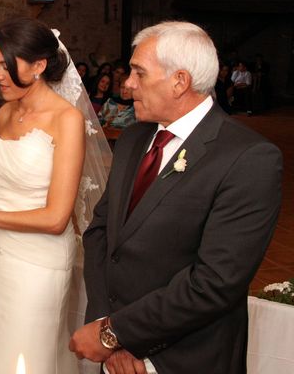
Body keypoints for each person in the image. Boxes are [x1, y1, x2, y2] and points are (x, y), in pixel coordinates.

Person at [70, 21, 282, 374]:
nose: (128, 83)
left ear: (179, 81)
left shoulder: (249, 158)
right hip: (117, 355)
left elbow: (214, 283)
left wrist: (115, 334)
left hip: (184, 357)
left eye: (139, 73)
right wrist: (109, 334)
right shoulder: (134, 138)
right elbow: (101, 235)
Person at [0, 18, 111, 374]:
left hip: (38, 262)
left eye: (4, 64)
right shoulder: (6, 111)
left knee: (26, 353)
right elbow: (0, 191)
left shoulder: (66, 119)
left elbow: (56, 219)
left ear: (39, 65)